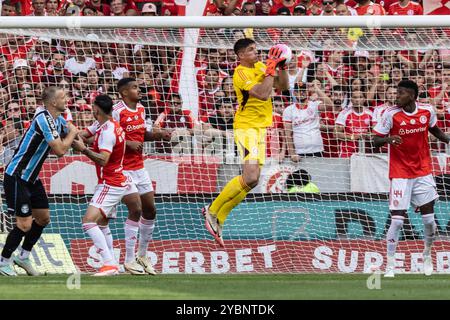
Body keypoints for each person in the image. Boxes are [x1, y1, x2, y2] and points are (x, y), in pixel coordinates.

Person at [202, 38, 289, 247]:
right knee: (250, 176)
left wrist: (281, 66)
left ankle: (219, 218)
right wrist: (269, 70)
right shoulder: (239, 73)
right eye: (251, 50)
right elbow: (261, 94)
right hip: (246, 127)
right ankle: (211, 210)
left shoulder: (261, 66)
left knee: (253, 181)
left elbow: (283, 87)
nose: (256, 53)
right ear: (240, 55)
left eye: (256, 49)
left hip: (261, 129)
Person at [373, 80, 450, 278]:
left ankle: (427, 255)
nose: (396, 96)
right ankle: (390, 265)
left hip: (423, 171)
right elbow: (375, 141)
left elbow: (435, 130)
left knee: (430, 221)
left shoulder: (427, 111)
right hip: (400, 173)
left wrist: (448, 139)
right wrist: (388, 139)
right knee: (397, 222)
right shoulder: (390, 114)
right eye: (396, 92)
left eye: (401, 93)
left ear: (413, 96)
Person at [0, 86, 78, 276]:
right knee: (24, 224)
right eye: (63, 96)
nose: (66, 98)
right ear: (53, 102)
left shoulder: (57, 120)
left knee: (43, 218)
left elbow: (75, 138)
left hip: (32, 179)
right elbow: (60, 150)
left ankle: (24, 256)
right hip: (17, 175)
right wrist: (74, 133)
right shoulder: (43, 118)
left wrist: (88, 142)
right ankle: (3, 261)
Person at [110, 78, 170, 275]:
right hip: (122, 168)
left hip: (139, 168)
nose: (139, 90)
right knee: (135, 209)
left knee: (150, 211)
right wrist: (128, 144)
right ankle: (128, 260)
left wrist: (159, 134)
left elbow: (143, 134)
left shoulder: (142, 109)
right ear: (124, 93)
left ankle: (142, 256)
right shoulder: (117, 111)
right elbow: (108, 137)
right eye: (135, 87)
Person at [72, 95, 134, 276]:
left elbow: (104, 160)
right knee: (103, 224)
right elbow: (83, 134)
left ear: (96, 109)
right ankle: (112, 263)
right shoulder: (106, 124)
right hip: (114, 181)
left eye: (92, 107)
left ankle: (109, 264)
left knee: (88, 221)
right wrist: (66, 132)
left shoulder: (107, 132)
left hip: (110, 182)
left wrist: (83, 149)